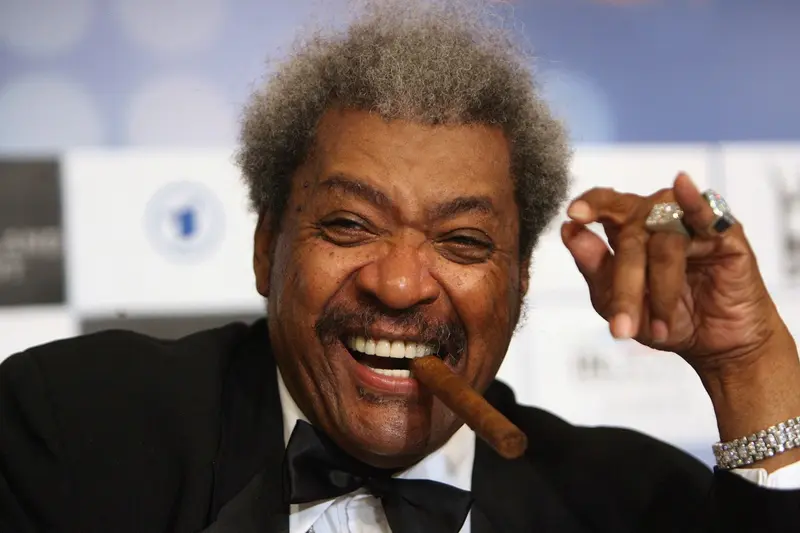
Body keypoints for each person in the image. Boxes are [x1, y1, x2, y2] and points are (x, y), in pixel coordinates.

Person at [2, 2, 800, 532]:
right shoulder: (74, 430)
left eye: (463, 241)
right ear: (266, 245)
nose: (400, 282)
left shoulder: (627, 504)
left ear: (520, 280)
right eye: (350, 224)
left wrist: (748, 362)